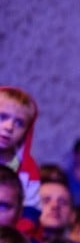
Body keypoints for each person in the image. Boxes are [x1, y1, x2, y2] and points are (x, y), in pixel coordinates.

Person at [0, 87, 40, 215]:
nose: (9, 127)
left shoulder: (28, 168)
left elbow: (31, 208)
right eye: (2, 117)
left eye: (19, 123)